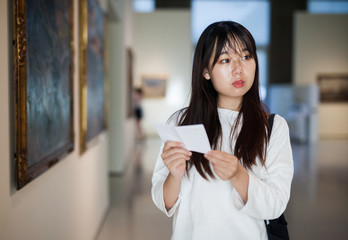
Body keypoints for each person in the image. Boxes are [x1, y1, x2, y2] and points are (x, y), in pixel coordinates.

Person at [151, 21, 294, 240]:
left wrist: (238, 175)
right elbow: (164, 202)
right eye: (225, 60)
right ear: (206, 71)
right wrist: (175, 175)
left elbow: (275, 205)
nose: (239, 69)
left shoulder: (273, 127)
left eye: (246, 57)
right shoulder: (181, 122)